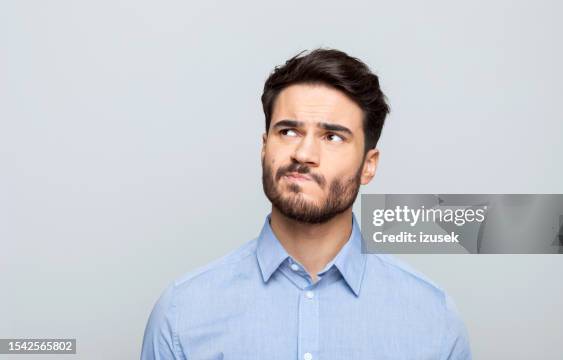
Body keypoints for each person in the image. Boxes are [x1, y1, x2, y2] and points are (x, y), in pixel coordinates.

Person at [141, 48, 472, 359]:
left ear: (368, 166)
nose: (303, 154)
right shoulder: (182, 315)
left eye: (333, 137)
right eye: (287, 132)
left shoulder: (433, 320)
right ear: (264, 147)